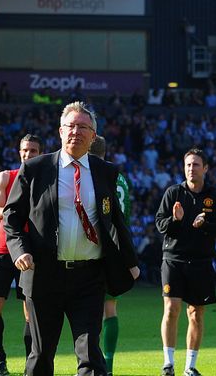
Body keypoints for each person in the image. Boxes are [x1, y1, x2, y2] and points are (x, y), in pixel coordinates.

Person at [3, 101, 139, 376]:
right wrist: (19, 251)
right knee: (41, 356)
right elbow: (12, 217)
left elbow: (115, 221)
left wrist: (130, 260)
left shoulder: (106, 172)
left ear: (93, 136)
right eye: (71, 126)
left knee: (91, 355)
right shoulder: (35, 169)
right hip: (44, 274)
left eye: (83, 127)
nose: (76, 131)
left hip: (89, 277)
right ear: (60, 131)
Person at [155, 148, 216, 376]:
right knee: (171, 309)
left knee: (195, 313)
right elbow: (160, 224)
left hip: (200, 261)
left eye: (196, 165)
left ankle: (190, 366)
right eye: (187, 165)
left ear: (205, 168)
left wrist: (203, 225)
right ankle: (168, 364)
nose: (191, 169)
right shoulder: (173, 193)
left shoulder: (215, 196)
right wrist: (175, 220)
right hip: (173, 259)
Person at [0, 134, 42, 376]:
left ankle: (31, 366)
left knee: (30, 311)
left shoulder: (45, 181)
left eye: (33, 151)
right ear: (19, 152)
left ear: (40, 154)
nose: (28, 154)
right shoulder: (6, 177)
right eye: (25, 150)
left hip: (31, 251)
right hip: (2, 248)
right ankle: (0, 359)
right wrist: (17, 210)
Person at [89, 136, 131, 376]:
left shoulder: (93, 174)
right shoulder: (122, 179)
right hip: (119, 247)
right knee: (110, 307)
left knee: (89, 309)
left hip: (96, 247)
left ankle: (92, 365)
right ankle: (109, 366)